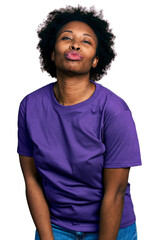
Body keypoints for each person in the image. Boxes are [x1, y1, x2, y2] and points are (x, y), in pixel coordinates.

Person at [17, 5, 142, 240]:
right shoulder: (30, 106)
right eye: (66, 38)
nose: (75, 45)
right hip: (55, 226)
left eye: (86, 41)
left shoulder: (114, 110)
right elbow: (31, 180)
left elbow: (115, 193)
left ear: (95, 61)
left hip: (111, 228)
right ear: (52, 53)